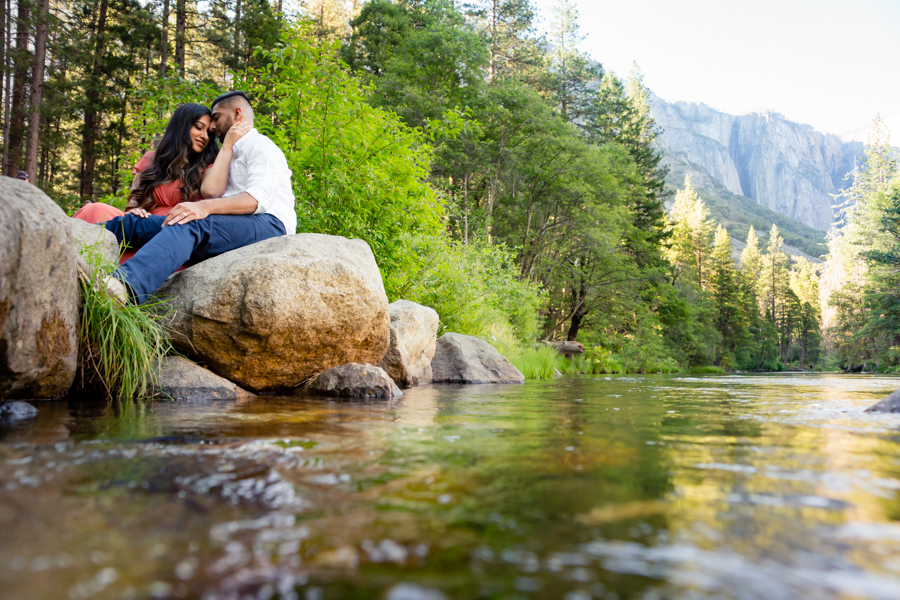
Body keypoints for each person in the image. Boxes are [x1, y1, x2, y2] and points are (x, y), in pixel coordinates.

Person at [98, 91, 295, 304]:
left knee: (191, 222)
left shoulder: (261, 146)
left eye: (217, 117)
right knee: (135, 223)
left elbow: (258, 200)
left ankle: (123, 287)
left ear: (237, 114)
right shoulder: (230, 154)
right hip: (237, 224)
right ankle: (78, 245)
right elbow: (212, 190)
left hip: (269, 224)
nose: (212, 127)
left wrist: (204, 208)